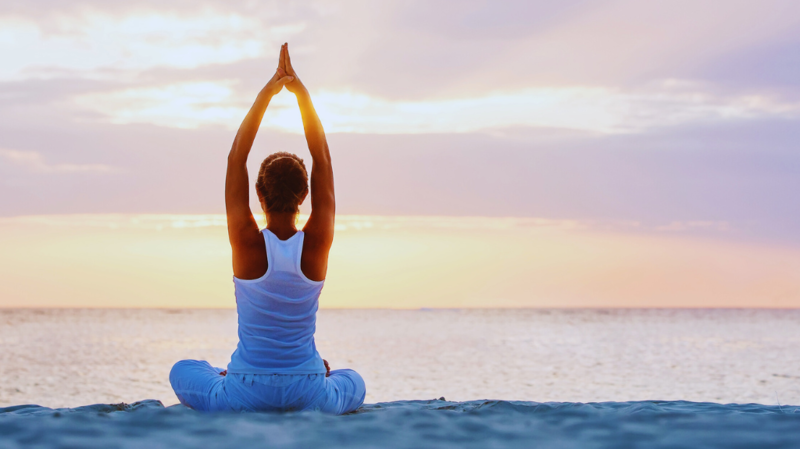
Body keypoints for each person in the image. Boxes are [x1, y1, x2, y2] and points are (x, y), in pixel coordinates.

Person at [169, 43, 365, 414]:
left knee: (183, 370)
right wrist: (301, 94)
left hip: (246, 390)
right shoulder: (317, 243)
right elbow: (322, 155)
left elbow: (235, 157)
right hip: (309, 389)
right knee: (354, 380)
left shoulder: (245, 243)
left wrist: (268, 93)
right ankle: (311, 372)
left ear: (258, 193)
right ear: (305, 195)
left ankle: (227, 374)